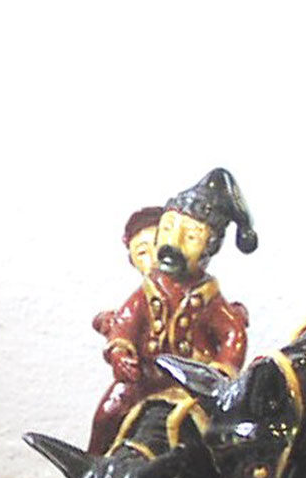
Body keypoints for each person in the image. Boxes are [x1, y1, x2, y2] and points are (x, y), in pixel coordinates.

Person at [89, 168, 256, 455]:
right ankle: (91, 469)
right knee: (107, 414)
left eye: (190, 236)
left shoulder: (210, 301)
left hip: (195, 389)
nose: (172, 243)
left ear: (210, 246)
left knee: (231, 439)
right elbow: (125, 325)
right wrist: (120, 353)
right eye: (166, 230)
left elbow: (232, 335)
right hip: (143, 381)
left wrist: (219, 372)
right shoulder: (148, 291)